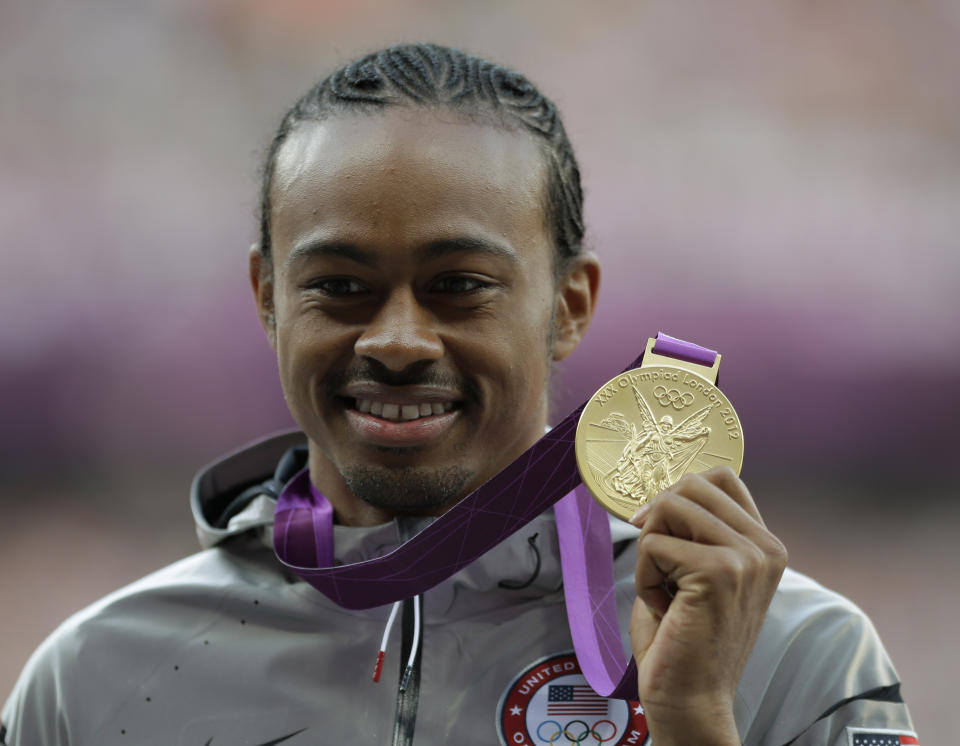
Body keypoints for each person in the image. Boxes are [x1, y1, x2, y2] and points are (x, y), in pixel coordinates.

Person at [2, 43, 916, 746]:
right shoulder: (96, 679)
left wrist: (696, 722)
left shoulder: (798, 652)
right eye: (340, 286)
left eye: (460, 285)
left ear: (569, 305)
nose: (397, 340)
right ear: (269, 298)